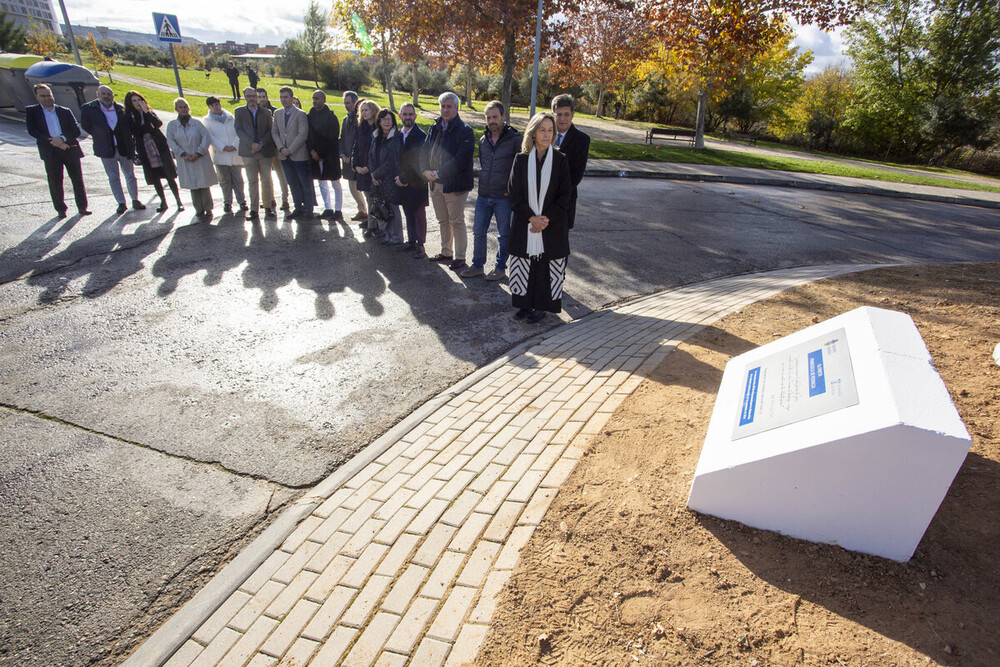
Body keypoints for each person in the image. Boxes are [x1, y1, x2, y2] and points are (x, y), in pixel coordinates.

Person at [507, 111, 572, 324]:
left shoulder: (561, 160)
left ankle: (542, 307)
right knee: (526, 264)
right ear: (533, 133)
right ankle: (525, 304)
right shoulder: (521, 159)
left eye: (550, 130)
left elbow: (565, 196)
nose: (546, 134)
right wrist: (531, 218)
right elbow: (514, 194)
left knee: (544, 267)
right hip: (525, 224)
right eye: (542, 130)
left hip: (551, 226)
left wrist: (544, 220)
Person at [461, 100, 520, 281]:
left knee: (504, 235)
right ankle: (478, 265)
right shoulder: (483, 140)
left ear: (503, 116)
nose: (492, 120)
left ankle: (500, 268)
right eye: (488, 117)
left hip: (503, 197)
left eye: (495, 116)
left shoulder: (515, 140)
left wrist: (511, 191)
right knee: (478, 231)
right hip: (483, 196)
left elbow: (519, 169)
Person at [421, 91, 474, 270]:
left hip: (454, 185)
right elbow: (425, 150)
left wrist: (438, 173)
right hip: (435, 183)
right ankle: (446, 251)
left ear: (456, 108)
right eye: (443, 106)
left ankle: (460, 257)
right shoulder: (435, 127)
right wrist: (424, 170)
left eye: (449, 106)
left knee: (456, 221)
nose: (445, 110)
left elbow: (460, 160)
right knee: (443, 220)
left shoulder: (465, 130)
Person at [26, 84, 89, 217]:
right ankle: (61, 209)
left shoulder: (64, 111)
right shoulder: (32, 111)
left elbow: (75, 131)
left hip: (69, 149)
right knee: (55, 181)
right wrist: (54, 142)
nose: (47, 98)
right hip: (50, 152)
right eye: (43, 96)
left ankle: (82, 207)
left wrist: (62, 139)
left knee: (77, 179)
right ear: (36, 96)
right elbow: (33, 131)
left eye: (49, 95)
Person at [80, 84, 144, 214]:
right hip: (106, 149)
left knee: (130, 175)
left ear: (113, 96)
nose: (106, 96)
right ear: (98, 95)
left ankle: (135, 200)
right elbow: (86, 125)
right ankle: (121, 202)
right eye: (103, 93)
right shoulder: (89, 109)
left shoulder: (121, 109)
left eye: (109, 94)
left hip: (124, 148)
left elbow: (130, 128)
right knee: (113, 177)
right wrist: (100, 135)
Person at [123, 90, 182, 213]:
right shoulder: (129, 116)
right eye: (134, 101)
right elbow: (136, 131)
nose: (138, 103)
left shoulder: (149, 112)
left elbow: (158, 123)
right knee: (155, 177)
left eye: (139, 99)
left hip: (159, 146)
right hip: (145, 148)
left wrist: (146, 112)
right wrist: (141, 118)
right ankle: (163, 202)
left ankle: (178, 201)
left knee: (169, 175)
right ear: (130, 103)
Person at [166, 97, 218, 220]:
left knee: (203, 183)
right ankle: (198, 208)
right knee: (193, 184)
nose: (183, 109)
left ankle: (208, 207)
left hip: (199, 157)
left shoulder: (197, 123)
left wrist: (198, 153)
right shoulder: (172, 126)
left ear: (188, 108)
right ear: (176, 109)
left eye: (185, 107)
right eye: (180, 107)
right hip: (184, 158)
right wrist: (183, 154)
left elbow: (205, 138)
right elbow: (171, 141)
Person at [271, 86, 314, 220]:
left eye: (286, 97)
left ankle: (308, 208)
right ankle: (298, 207)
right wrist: (281, 148)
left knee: (304, 182)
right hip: (283, 155)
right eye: (281, 97)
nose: (283, 100)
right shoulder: (277, 113)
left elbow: (303, 134)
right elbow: (275, 132)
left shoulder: (300, 114)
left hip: (298, 155)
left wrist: (290, 149)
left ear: (292, 97)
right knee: (292, 182)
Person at [233, 87, 275, 220]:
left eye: (254, 96)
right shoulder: (239, 112)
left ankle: (268, 207)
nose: (252, 98)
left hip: (264, 151)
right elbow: (238, 130)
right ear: (245, 97)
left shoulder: (266, 112)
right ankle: (254, 210)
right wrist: (251, 143)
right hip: (248, 151)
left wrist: (261, 143)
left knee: (266, 180)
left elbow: (270, 130)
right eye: (249, 96)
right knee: (252, 181)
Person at [203, 96, 247, 215]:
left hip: (234, 153)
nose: (216, 107)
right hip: (221, 154)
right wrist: (222, 147)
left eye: (217, 104)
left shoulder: (231, 117)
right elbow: (210, 137)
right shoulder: (207, 121)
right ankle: (227, 202)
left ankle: (242, 201)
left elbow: (238, 132)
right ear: (209, 107)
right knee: (224, 180)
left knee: (238, 179)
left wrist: (234, 145)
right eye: (213, 105)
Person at [551, 94, 590, 229]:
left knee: (558, 248)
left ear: (572, 114)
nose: (562, 119)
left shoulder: (582, 140)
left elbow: (576, 176)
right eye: (559, 114)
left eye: (566, 114)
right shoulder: (544, 134)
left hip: (563, 203)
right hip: (539, 202)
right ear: (553, 114)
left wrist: (554, 193)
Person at [394, 102, 428, 258]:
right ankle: (411, 241)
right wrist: (399, 179)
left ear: (415, 116)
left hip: (417, 182)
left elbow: (417, 161)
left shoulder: (421, 136)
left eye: (410, 114)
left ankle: (421, 245)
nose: (408, 117)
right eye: (405, 114)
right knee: (407, 212)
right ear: (400, 116)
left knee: (419, 214)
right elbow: (395, 158)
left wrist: (404, 178)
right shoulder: (398, 134)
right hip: (401, 183)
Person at [368, 108, 403, 245]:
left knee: (393, 209)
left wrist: (376, 174)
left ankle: (397, 237)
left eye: (389, 119)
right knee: (383, 208)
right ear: (379, 121)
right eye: (384, 119)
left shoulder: (396, 137)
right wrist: (373, 174)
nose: (387, 122)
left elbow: (392, 161)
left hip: (390, 179)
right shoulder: (376, 136)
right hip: (377, 179)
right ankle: (387, 235)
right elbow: (370, 156)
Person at [307, 90, 343, 221]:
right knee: (322, 183)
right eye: (313, 98)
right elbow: (308, 135)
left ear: (324, 100)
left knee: (335, 183)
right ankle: (328, 208)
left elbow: (332, 138)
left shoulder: (331, 117)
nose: (315, 101)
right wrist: (312, 151)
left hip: (329, 156)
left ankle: (338, 210)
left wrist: (321, 153)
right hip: (315, 155)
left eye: (317, 98)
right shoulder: (310, 116)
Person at [258, 88, 290, 212]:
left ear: (267, 97)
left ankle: (285, 200)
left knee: (281, 176)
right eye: (259, 97)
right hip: (264, 150)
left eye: (263, 96)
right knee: (266, 177)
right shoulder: (257, 112)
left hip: (277, 149)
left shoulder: (276, 111)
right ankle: (269, 199)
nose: (261, 99)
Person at [351, 99, 378, 236]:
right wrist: (355, 165)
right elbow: (356, 147)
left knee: (375, 199)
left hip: (372, 169)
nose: (364, 112)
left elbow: (375, 151)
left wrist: (368, 167)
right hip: (361, 168)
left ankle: (375, 226)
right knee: (368, 198)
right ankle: (371, 224)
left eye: (366, 109)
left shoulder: (378, 128)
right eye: (362, 110)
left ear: (373, 111)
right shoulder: (361, 127)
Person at [339, 91, 367, 222]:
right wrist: (343, 154)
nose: (346, 106)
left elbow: (359, 141)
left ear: (355, 102)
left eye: (348, 103)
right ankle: (362, 210)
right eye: (344, 103)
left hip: (358, 159)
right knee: (352, 187)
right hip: (347, 159)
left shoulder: (360, 120)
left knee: (362, 187)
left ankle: (366, 212)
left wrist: (353, 157)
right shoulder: (346, 119)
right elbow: (343, 138)